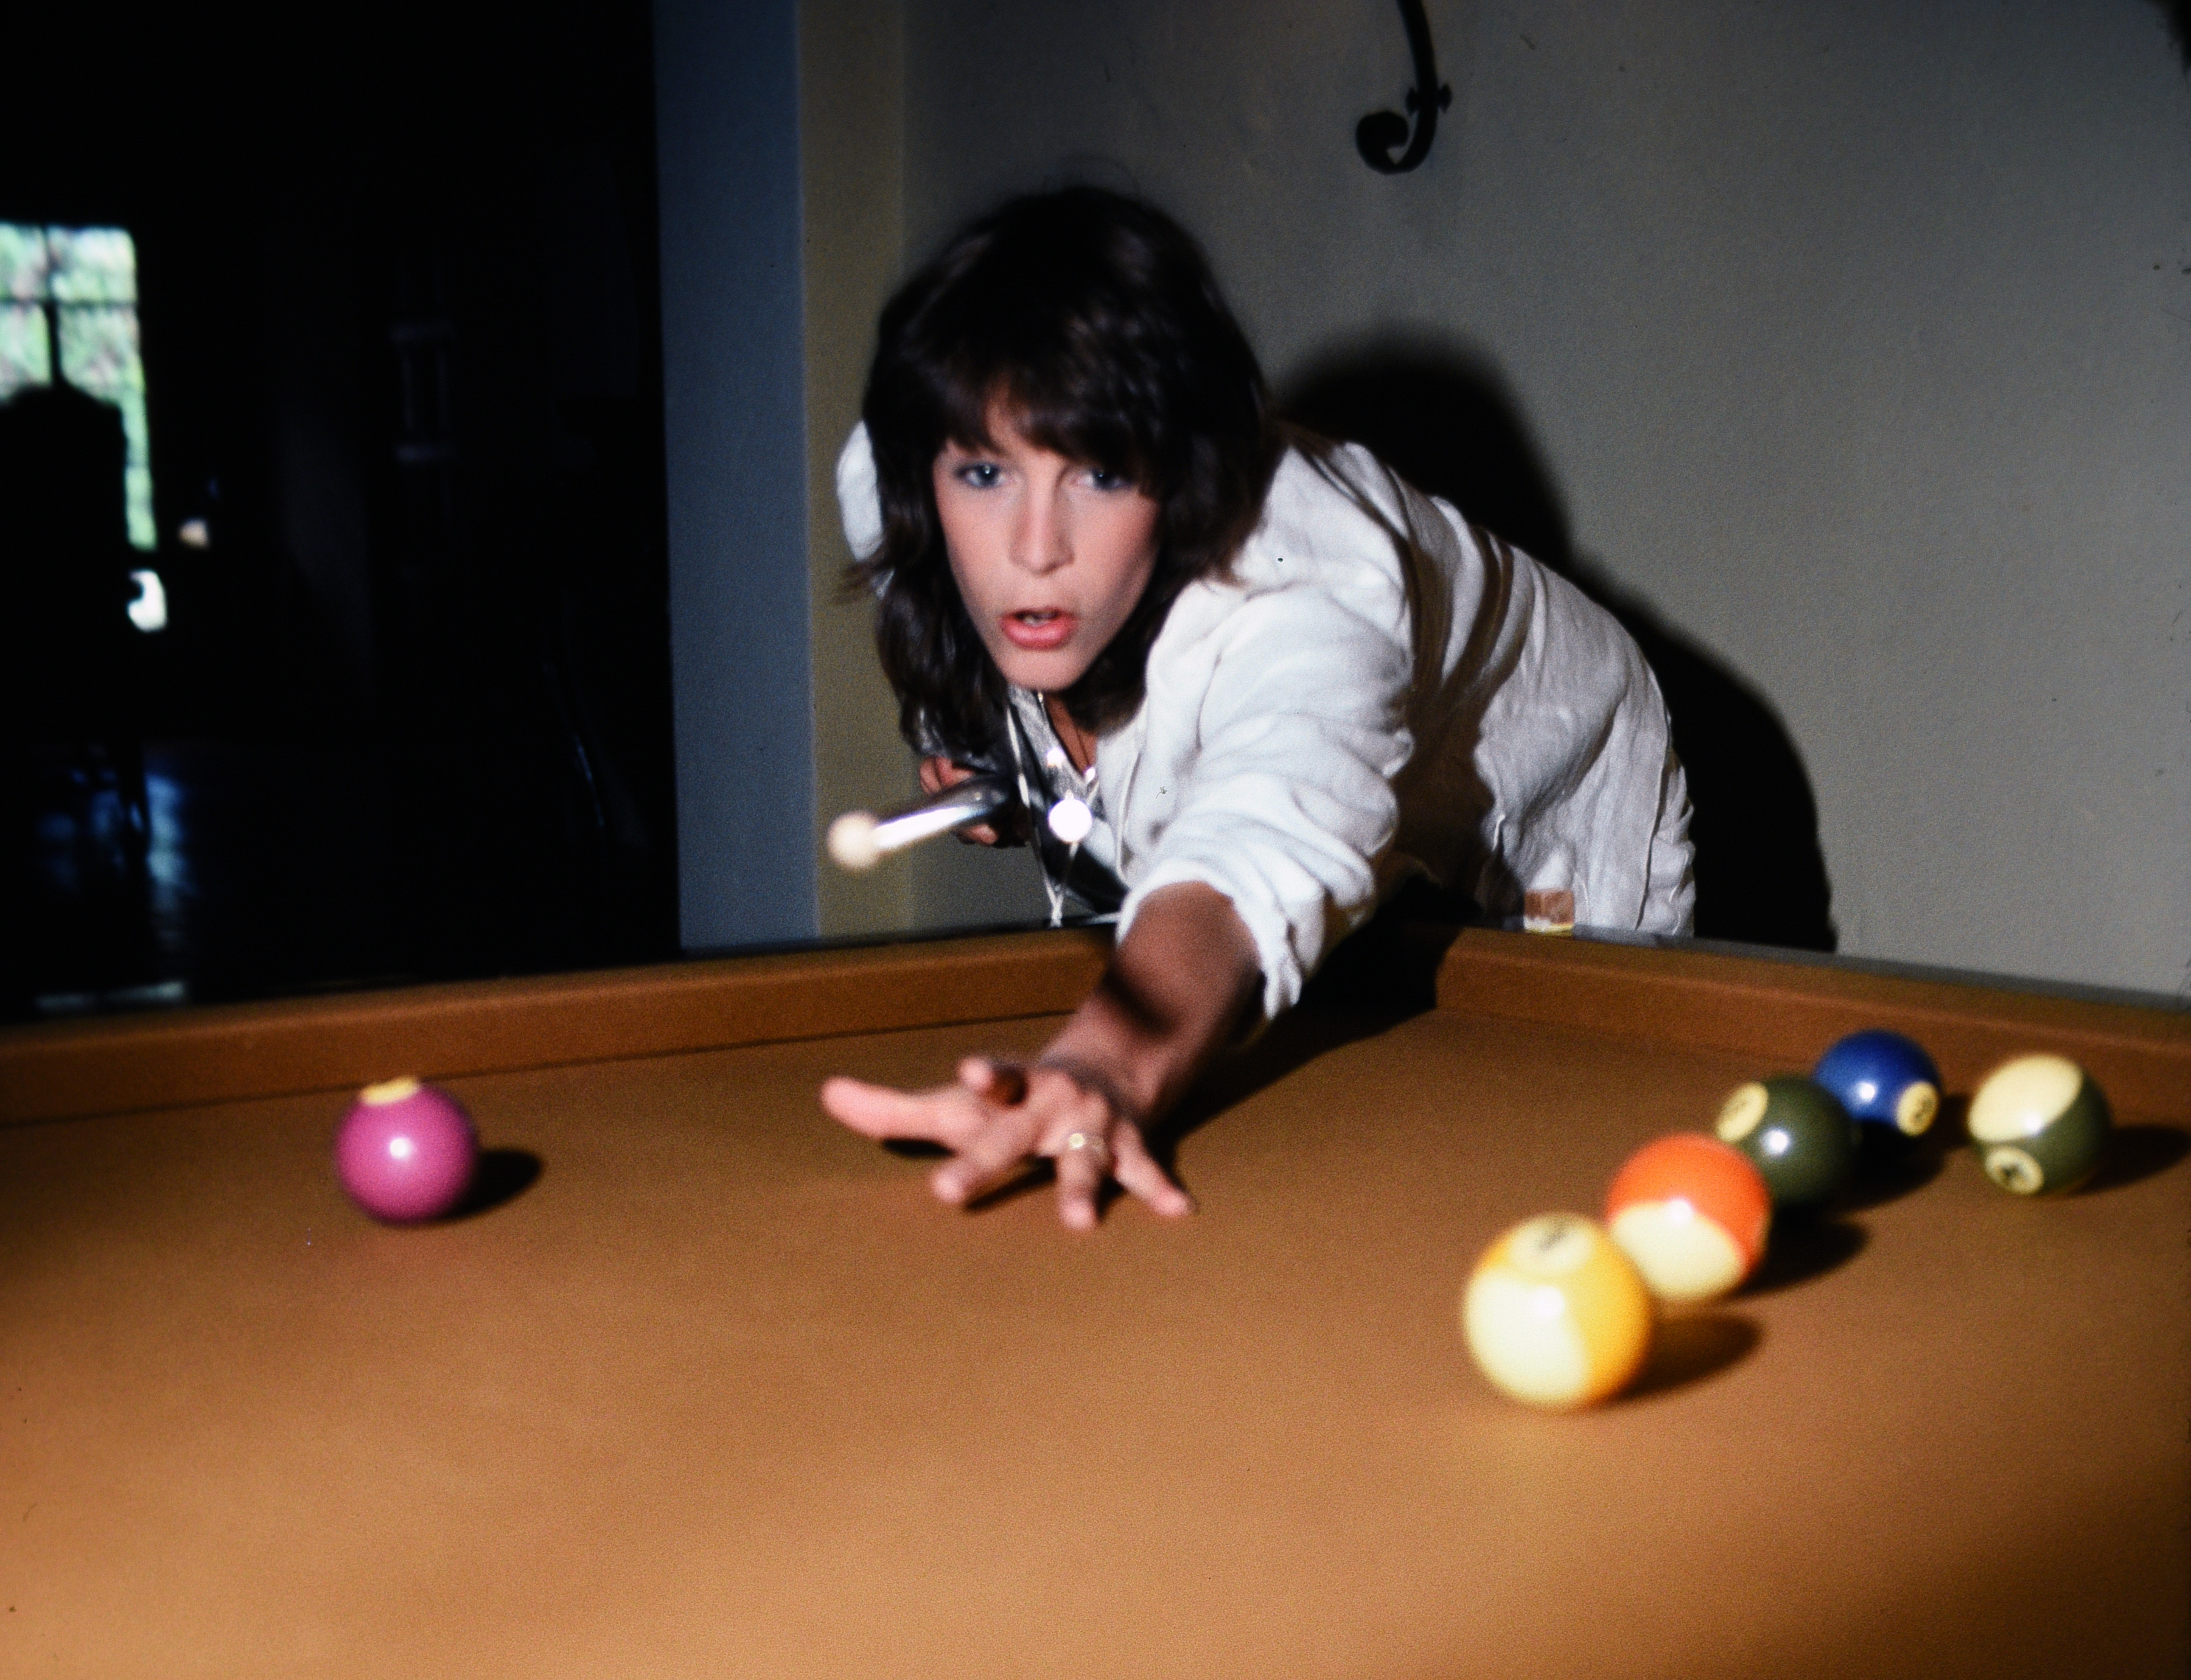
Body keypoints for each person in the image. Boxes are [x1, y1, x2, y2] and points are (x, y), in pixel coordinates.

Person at [818, 187, 1693, 1229]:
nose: (1033, 547)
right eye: (985, 473)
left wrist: (1105, 1062)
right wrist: (992, 757)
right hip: (1332, 756)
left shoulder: (1304, 595)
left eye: (1101, 473)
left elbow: (1257, 836)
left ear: (1182, 481)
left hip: (1554, 797)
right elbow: (950, 613)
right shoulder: (901, 462)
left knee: (1573, 1143)